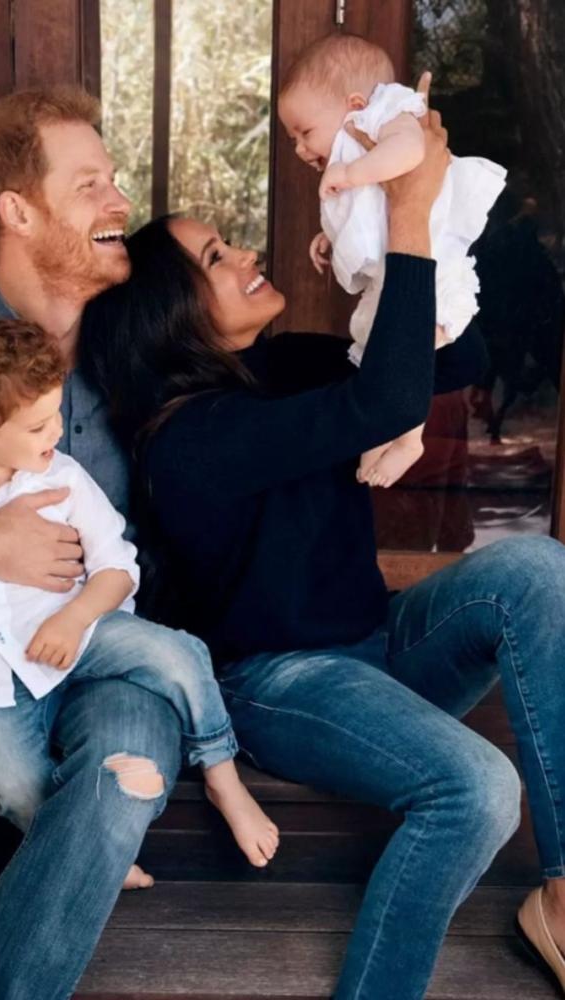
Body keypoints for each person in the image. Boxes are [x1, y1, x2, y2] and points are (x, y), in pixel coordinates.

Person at [81, 103, 565, 1000]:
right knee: (477, 791)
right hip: (283, 685)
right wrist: (411, 207)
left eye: (230, 244)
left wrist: (382, 267)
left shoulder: (285, 366)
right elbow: (381, 406)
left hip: (378, 649)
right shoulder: (188, 439)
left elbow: (455, 364)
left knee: (539, 571)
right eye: (216, 258)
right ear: (168, 313)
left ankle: (564, 897)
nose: (247, 256)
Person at [0, 84, 194, 1000]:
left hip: (106, 657)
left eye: (114, 181)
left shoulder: (142, 346)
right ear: (17, 210)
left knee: (126, 770)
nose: (120, 203)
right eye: (91, 186)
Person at [0, 316, 277, 870]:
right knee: (14, 788)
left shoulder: (60, 477)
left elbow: (118, 566)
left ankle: (221, 777)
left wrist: (74, 618)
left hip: (83, 631)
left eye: (54, 416)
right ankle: (80, 846)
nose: (55, 434)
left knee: (181, 656)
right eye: (37, 427)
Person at [278, 34, 506, 489]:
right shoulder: (357, 148)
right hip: (398, 270)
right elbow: (371, 214)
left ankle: (408, 437)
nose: (301, 149)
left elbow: (410, 153)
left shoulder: (390, 115)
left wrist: (350, 172)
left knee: (407, 349)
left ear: (356, 103)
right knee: (377, 347)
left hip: (433, 266)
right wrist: (331, 236)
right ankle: (385, 429)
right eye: (292, 140)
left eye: (305, 132)